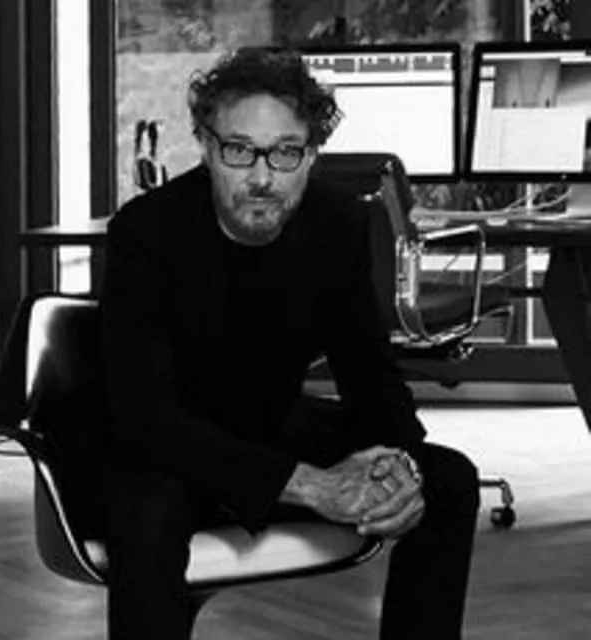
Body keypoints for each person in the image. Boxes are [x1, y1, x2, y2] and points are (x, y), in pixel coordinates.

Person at [99, 47, 480, 640]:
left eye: (285, 152)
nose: (261, 177)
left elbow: (370, 374)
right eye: (238, 150)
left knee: (447, 480)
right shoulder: (145, 232)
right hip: (171, 447)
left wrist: (401, 465)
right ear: (205, 146)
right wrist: (310, 485)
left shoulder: (337, 224)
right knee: (144, 515)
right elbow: (144, 417)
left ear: (311, 155)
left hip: (271, 429)